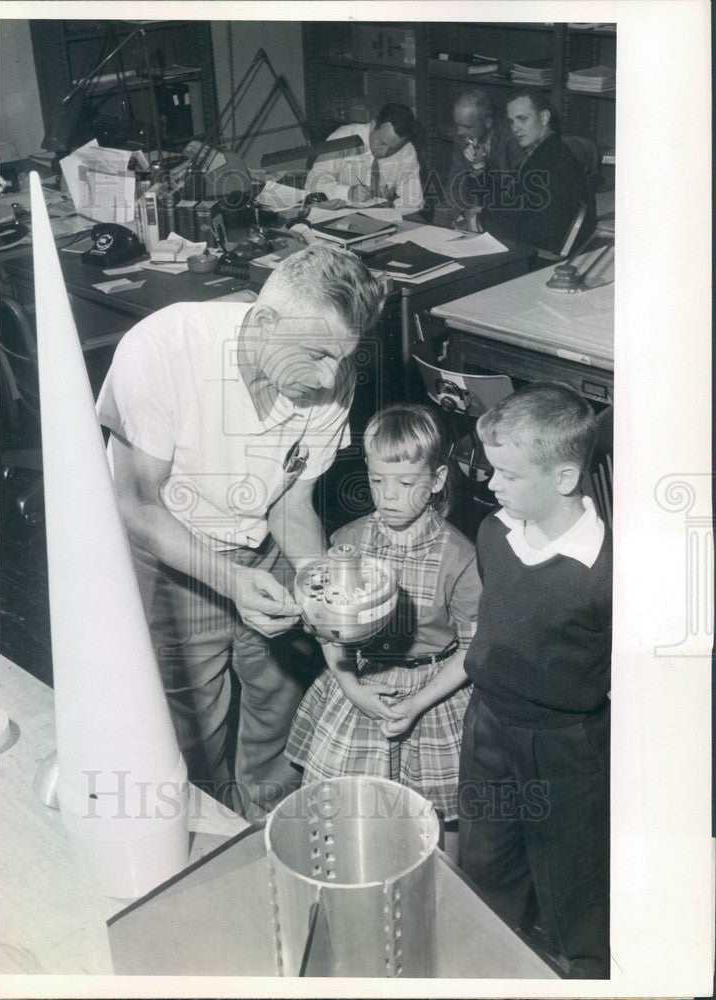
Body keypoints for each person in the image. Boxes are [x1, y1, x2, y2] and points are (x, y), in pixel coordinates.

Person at [95, 243, 383, 821]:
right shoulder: (162, 348)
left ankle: (265, 821)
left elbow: (293, 499)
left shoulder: (329, 378)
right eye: (319, 354)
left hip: (264, 540)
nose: (331, 376)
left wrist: (319, 583)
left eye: (342, 357)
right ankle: (205, 828)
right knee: (191, 716)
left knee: (279, 692)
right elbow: (137, 505)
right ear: (266, 322)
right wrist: (231, 581)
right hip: (173, 545)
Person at [457, 382, 611, 978]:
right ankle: (484, 967)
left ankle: (584, 974)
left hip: (564, 745)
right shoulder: (496, 533)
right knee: (486, 861)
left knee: (571, 877)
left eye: (508, 475)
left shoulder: (605, 574)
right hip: (488, 723)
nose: (491, 485)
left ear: (565, 478)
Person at [286, 404, 480, 860]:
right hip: (361, 682)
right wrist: (351, 687)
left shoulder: (460, 555)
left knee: (438, 822)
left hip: (433, 692)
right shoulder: (346, 544)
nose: (387, 496)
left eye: (406, 483)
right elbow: (331, 631)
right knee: (346, 813)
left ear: (435, 481)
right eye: (376, 480)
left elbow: (473, 649)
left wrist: (414, 703)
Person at [471, 89, 596, 255]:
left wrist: (479, 220)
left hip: (538, 256)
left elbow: (530, 229)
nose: (515, 128)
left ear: (544, 117)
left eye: (522, 119)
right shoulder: (546, 152)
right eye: (511, 122)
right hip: (529, 245)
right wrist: (480, 168)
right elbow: (516, 204)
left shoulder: (551, 161)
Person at [304, 103, 424, 213]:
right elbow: (314, 182)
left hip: (380, 218)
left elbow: (413, 201)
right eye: (382, 142)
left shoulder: (406, 150)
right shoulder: (345, 138)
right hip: (335, 212)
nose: (385, 152)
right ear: (373, 125)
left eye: (393, 148)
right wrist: (348, 192)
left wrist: (387, 210)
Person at [443, 87, 525, 212]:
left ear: (488, 122)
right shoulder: (462, 137)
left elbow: (518, 191)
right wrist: (460, 217)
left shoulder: (511, 136)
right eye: (457, 124)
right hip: (474, 210)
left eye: (467, 126)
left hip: (507, 210)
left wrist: (480, 167)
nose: (459, 132)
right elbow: (454, 183)